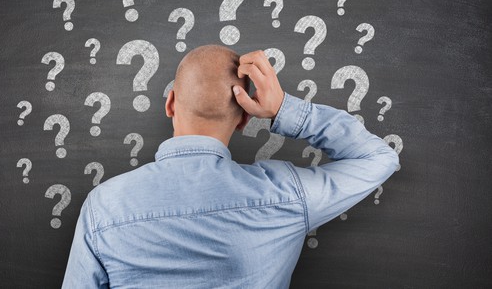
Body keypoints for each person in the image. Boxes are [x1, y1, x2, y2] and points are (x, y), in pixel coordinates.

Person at [62, 45, 399, 288]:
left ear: (170, 103)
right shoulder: (285, 193)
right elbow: (378, 158)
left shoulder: (102, 207)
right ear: (244, 120)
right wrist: (283, 108)